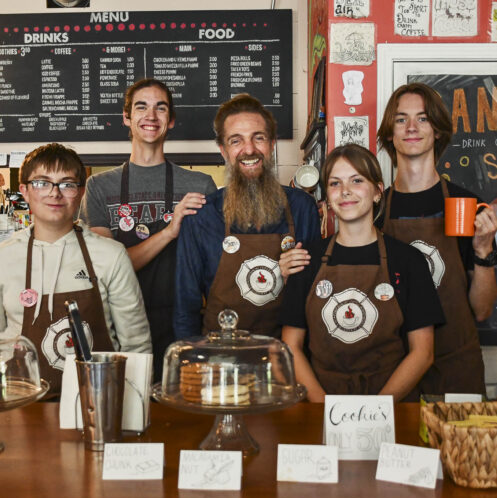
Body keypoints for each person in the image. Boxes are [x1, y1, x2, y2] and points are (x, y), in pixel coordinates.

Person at [0, 143, 151, 398]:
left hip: (99, 402)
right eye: (42, 183)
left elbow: (136, 344)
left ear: (81, 192)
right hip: (21, 405)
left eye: (67, 184)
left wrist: (131, 410)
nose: (54, 193)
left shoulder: (111, 255)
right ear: (25, 191)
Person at [280, 144, 444, 402]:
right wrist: (324, 406)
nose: (345, 191)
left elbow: (422, 353)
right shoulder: (306, 260)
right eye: (335, 183)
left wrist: (377, 409)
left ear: (378, 192)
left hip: (393, 407)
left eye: (356, 180)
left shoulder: (409, 261)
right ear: (328, 199)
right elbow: (291, 346)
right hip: (320, 405)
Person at [81, 78, 216, 381]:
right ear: (126, 118)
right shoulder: (99, 187)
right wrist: (169, 231)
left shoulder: (199, 185)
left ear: (171, 121)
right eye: (141, 107)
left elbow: (211, 267)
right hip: (120, 325)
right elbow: (108, 269)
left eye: (161, 108)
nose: (151, 116)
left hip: (182, 323)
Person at [377, 82, 497, 395]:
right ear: (390, 132)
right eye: (401, 119)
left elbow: (482, 310)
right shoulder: (374, 210)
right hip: (392, 368)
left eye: (423, 118)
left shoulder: (464, 205)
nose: (412, 127)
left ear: (438, 131)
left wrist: (484, 249)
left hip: (456, 367)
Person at [174, 93, 321, 338]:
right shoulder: (200, 216)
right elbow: (185, 307)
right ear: (223, 150)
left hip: (283, 355)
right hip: (219, 357)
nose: (249, 149)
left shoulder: (302, 207)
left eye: (258, 138)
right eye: (236, 141)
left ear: (272, 144)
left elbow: (316, 293)